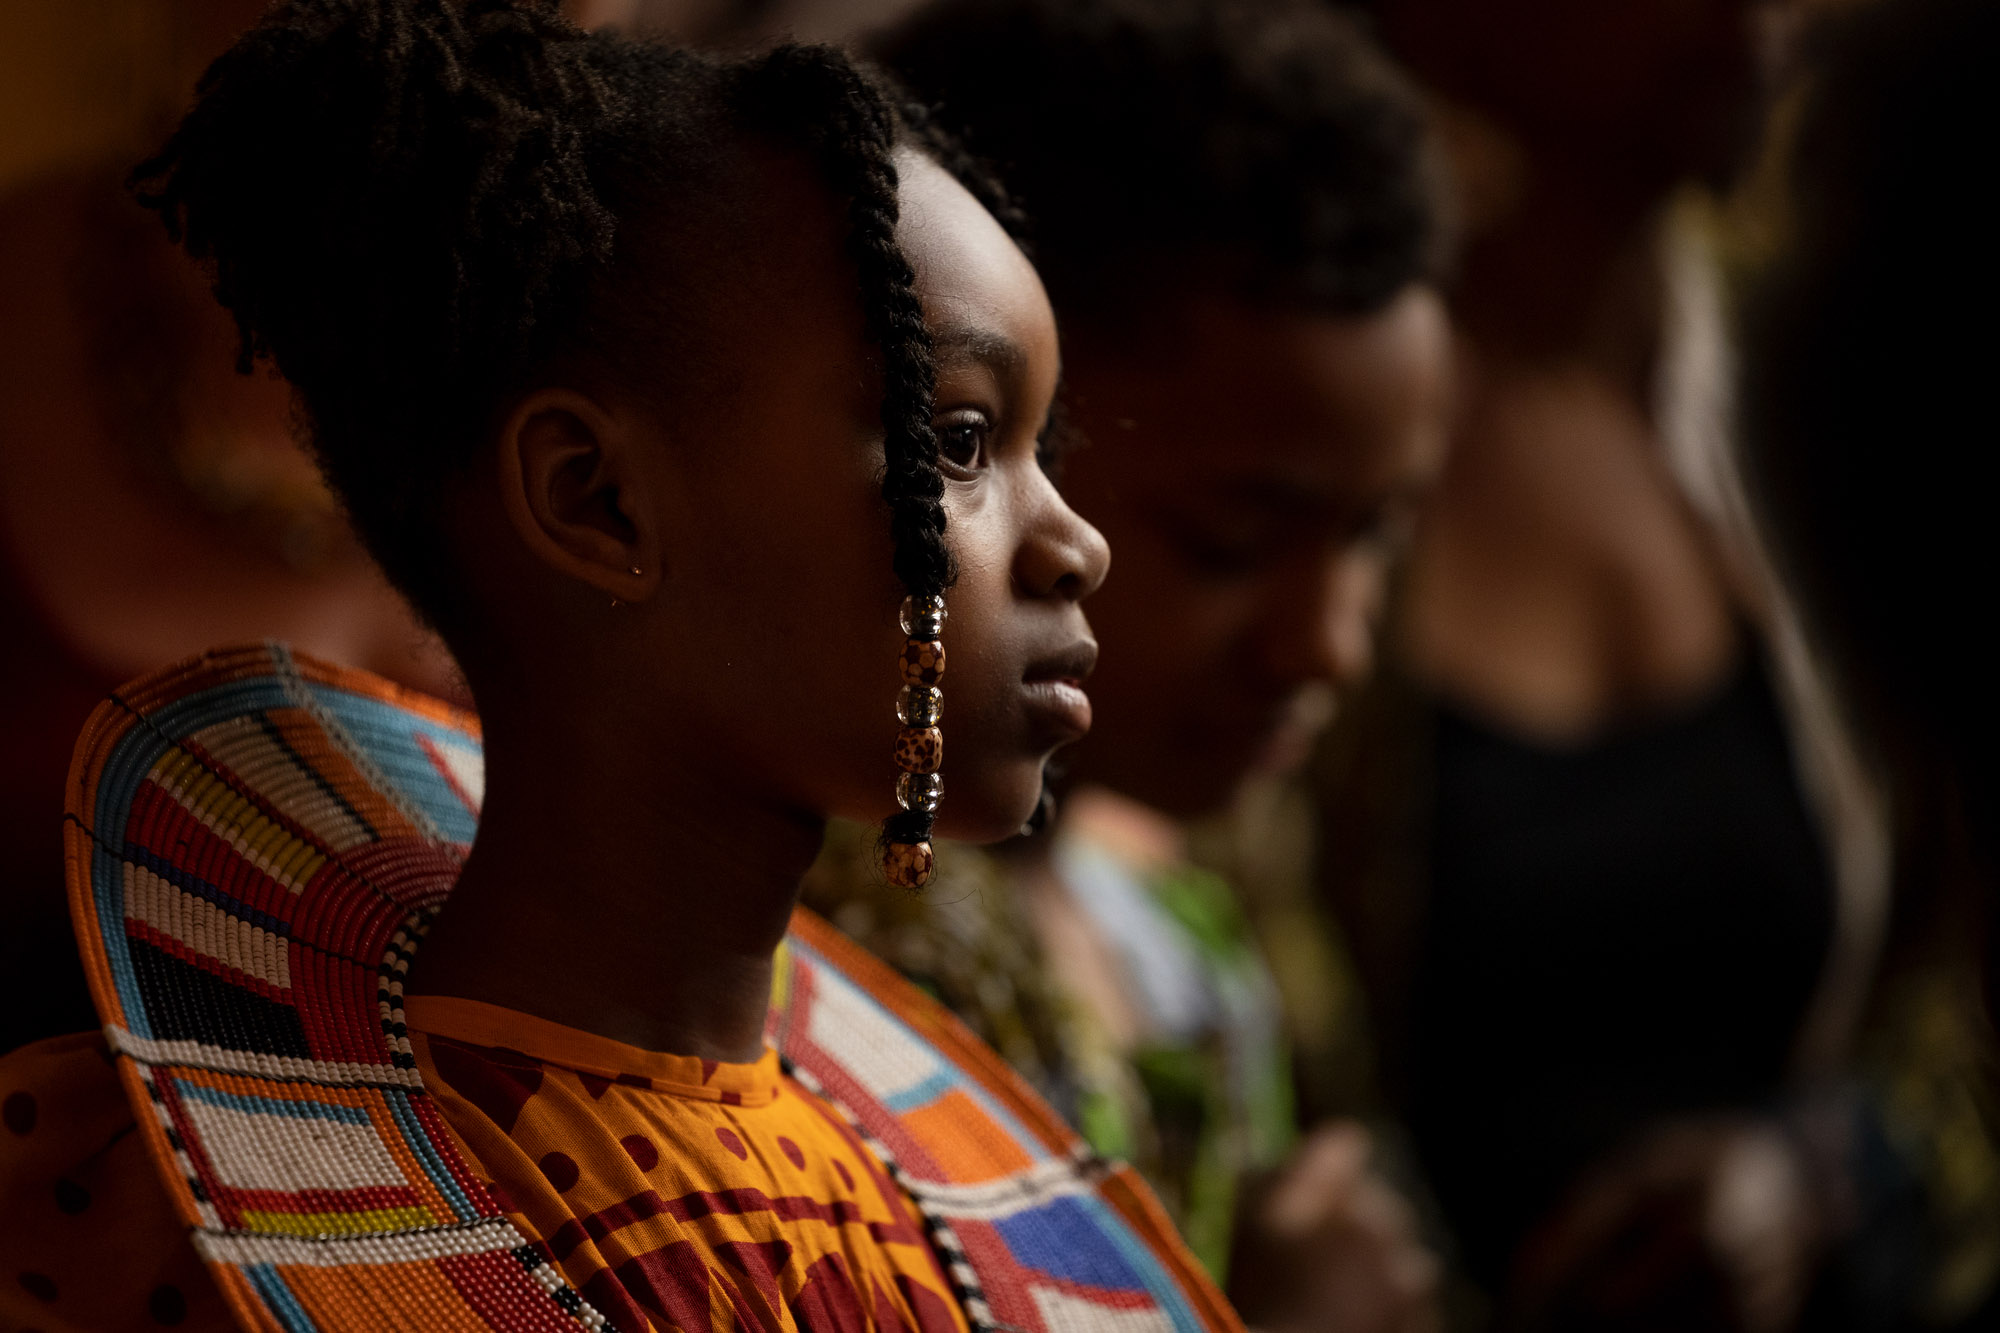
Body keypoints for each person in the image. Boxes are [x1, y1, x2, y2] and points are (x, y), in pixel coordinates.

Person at [0, 4, 1251, 1332]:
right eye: (955, 440)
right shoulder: (167, 1229)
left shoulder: (940, 1205)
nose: (1077, 542)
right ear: (596, 501)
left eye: (1042, 450)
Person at [800, 4, 1453, 1329]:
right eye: (1233, 541)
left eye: (1375, 532)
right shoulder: (841, 993)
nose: (1331, 640)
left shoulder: (1179, 925)